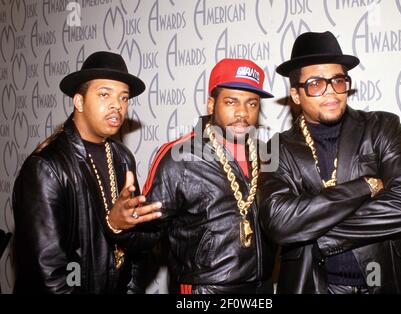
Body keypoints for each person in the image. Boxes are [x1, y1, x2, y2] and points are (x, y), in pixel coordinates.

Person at [257, 31, 401, 294]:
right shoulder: (275, 148)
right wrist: (364, 187)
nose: (331, 92)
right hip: (317, 284)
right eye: (315, 84)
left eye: (338, 80)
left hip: (387, 281)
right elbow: (278, 221)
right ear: (296, 94)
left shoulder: (382, 127)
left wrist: (323, 234)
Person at [12, 51, 162, 294]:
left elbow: (139, 250)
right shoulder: (46, 167)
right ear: (79, 101)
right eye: (104, 94)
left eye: (124, 98)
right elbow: (49, 275)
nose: (117, 105)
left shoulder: (123, 159)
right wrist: (112, 225)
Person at [141, 58, 276, 294]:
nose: (243, 112)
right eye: (231, 101)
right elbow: (144, 234)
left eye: (252, 103)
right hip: (204, 288)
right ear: (211, 105)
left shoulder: (266, 154)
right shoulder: (180, 156)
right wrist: (120, 227)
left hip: (260, 285)